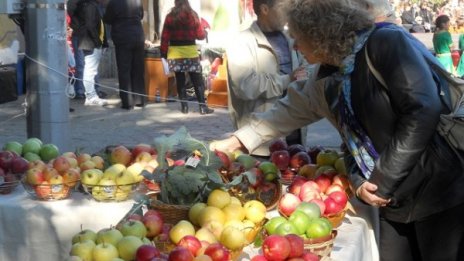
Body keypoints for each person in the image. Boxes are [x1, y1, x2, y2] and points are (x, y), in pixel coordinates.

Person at [212, 0, 464, 260]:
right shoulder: (328, 77)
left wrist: (381, 181)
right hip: (392, 202)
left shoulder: (386, 42)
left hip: (438, 191)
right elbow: (347, 139)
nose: (295, 46)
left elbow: (423, 110)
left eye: (298, 38)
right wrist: (358, 183)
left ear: (320, 34)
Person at [225, 0, 307, 156]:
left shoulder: (291, 39)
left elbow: (304, 71)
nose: (289, 12)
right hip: (259, 144)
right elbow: (245, 86)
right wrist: (287, 80)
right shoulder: (242, 41)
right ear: (264, 9)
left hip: (295, 138)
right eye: (284, 7)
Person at [160, 0, 214, 115]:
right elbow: (200, 36)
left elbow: (165, 37)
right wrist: (205, 33)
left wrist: (163, 52)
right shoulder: (193, 15)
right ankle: (203, 107)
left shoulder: (170, 17)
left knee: (180, 80)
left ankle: (184, 108)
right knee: (197, 80)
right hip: (190, 52)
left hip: (175, 52)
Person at [104, 0, 146, 110]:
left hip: (122, 36)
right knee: (138, 68)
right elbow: (141, 15)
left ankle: (127, 101)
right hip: (138, 35)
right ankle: (139, 99)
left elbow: (107, 19)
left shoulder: (114, 2)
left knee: (124, 69)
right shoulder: (137, 1)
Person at [74, 0, 109, 106]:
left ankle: (91, 95)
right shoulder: (89, 6)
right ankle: (91, 96)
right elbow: (90, 25)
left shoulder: (86, 5)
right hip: (90, 42)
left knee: (89, 70)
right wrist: (98, 41)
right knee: (90, 71)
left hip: (88, 41)